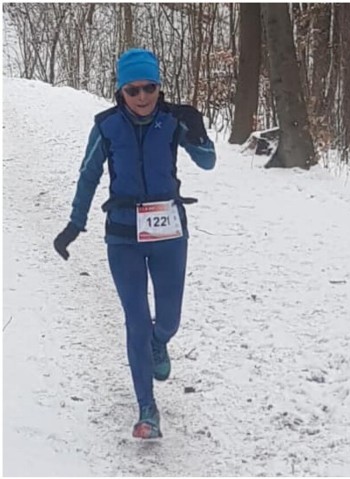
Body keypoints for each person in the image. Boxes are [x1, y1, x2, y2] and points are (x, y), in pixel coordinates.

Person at [52, 48, 216, 439]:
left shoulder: (174, 121)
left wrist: (198, 130)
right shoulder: (107, 127)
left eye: (149, 88)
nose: (142, 97)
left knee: (169, 319)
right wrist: (75, 224)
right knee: (136, 322)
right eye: (133, 89)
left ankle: (160, 343)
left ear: (159, 87)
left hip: (169, 234)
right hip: (123, 235)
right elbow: (89, 175)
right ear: (120, 91)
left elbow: (207, 161)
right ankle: (147, 410)